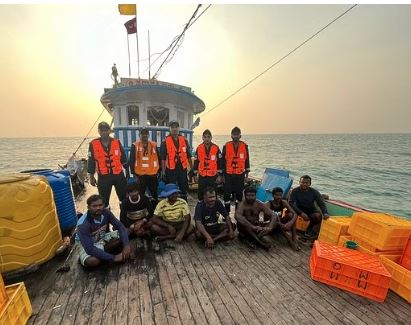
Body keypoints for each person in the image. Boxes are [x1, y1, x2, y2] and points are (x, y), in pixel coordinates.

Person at [76, 194, 131, 267]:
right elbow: (89, 248)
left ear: (104, 205)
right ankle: (86, 257)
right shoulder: (83, 224)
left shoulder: (106, 212)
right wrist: (114, 258)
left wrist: (126, 246)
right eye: (94, 206)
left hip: (102, 237)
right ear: (88, 207)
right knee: (93, 261)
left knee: (127, 231)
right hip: (86, 244)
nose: (98, 208)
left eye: (100, 205)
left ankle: (102, 252)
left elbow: (120, 226)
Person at [88, 121, 127, 208]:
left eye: (106, 130)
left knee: (124, 198)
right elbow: (91, 161)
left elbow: (123, 159)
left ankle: (124, 217)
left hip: (118, 176)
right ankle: (106, 218)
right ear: (99, 131)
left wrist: (128, 172)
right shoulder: (93, 144)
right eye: (102, 130)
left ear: (109, 131)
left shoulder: (117, 142)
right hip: (103, 177)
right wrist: (91, 177)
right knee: (104, 201)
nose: (104, 132)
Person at [289, 175, 330, 240]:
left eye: (306, 183)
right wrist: (301, 213)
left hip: (310, 209)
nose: (304, 184)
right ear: (299, 182)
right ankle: (291, 229)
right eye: (302, 182)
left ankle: (309, 229)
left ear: (310, 184)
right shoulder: (294, 191)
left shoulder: (314, 192)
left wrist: (325, 213)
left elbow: (321, 203)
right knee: (290, 214)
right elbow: (291, 203)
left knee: (318, 216)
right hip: (298, 208)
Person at [160, 120, 192, 201]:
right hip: (171, 170)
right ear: (169, 129)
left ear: (179, 128)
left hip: (182, 168)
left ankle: (184, 204)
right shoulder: (164, 142)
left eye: (176, 127)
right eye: (172, 127)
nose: (174, 129)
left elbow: (188, 156)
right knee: (171, 189)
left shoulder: (184, 140)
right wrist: (163, 172)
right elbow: (163, 158)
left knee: (183, 188)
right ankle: (171, 205)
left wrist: (191, 168)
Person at [222, 126, 250, 213]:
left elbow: (247, 160)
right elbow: (222, 161)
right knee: (226, 194)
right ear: (231, 135)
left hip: (240, 174)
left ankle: (238, 212)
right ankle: (226, 212)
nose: (236, 136)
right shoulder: (226, 146)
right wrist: (222, 175)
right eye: (234, 134)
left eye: (237, 134)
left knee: (239, 194)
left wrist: (246, 176)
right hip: (228, 174)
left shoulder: (244, 146)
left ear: (240, 135)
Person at [129, 127, 160, 203]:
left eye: (146, 134)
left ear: (148, 135)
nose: (144, 135)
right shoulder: (134, 145)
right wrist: (134, 174)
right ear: (139, 135)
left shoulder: (154, 145)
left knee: (154, 193)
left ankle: (155, 209)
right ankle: (142, 208)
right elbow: (131, 160)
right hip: (140, 175)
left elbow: (158, 158)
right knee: (141, 194)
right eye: (142, 134)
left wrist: (159, 171)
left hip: (152, 175)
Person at [192, 129, 223, 201]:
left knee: (213, 194)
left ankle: (213, 210)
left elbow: (220, 162)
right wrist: (195, 175)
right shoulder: (199, 148)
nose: (207, 139)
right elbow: (196, 162)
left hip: (213, 176)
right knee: (201, 195)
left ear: (211, 138)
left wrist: (219, 175)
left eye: (208, 137)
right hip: (202, 176)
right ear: (202, 138)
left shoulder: (216, 148)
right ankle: (202, 209)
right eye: (205, 137)